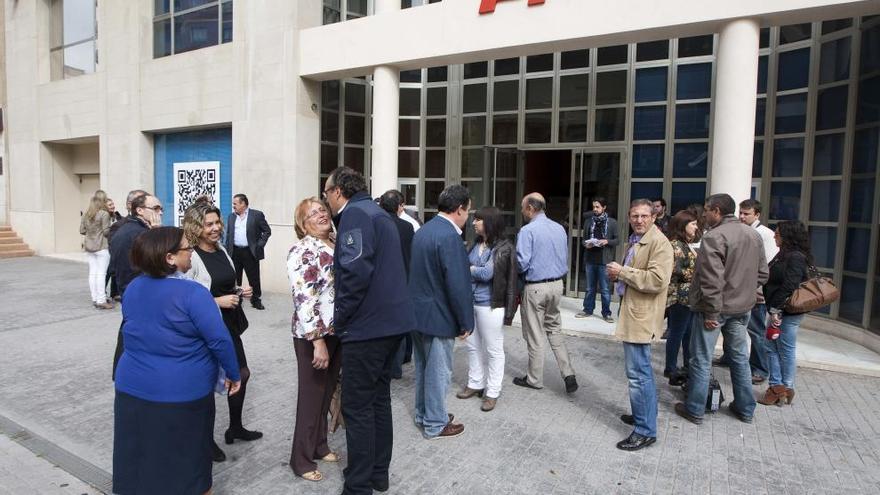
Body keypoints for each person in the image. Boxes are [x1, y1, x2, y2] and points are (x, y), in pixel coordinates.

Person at [112, 226, 241, 495]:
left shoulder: (133, 288)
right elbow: (219, 340)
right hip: (181, 392)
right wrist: (233, 372)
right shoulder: (194, 294)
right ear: (170, 258)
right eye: (186, 248)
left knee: (140, 455)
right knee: (187, 460)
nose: (192, 251)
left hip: (132, 388)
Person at [323, 167, 415, 495]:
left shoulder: (357, 215)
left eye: (326, 193)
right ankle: (378, 474)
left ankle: (359, 485)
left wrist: (341, 320)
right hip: (392, 326)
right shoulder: (377, 212)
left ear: (338, 192)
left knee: (357, 407)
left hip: (368, 327)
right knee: (378, 401)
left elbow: (354, 274)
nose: (326, 201)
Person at [674, 194, 768, 425]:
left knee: (701, 358)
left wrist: (712, 313)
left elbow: (711, 280)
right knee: (739, 358)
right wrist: (744, 292)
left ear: (717, 210)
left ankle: (695, 408)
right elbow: (763, 273)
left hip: (715, 310)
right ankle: (745, 408)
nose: (703, 215)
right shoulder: (753, 234)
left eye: (706, 210)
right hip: (741, 308)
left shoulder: (714, 237)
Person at [183, 203, 262, 463]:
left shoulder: (221, 251)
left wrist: (239, 291)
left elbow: (226, 283)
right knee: (206, 384)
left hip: (228, 325)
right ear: (196, 227)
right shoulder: (191, 257)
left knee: (241, 373)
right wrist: (218, 301)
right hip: (206, 328)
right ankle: (206, 441)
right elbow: (185, 298)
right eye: (209, 224)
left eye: (217, 222)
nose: (216, 228)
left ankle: (235, 427)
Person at [409, 184, 475, 439]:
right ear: (459, 209)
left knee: (424, 369)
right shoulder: (449, 236)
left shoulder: (424, 231)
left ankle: (425, 414)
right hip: (439, 316)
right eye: (468, 210)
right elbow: (458, 285)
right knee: (437, 373)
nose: (468, 215)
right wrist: (465, 321)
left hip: (418, 313)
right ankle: (435, 422)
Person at [606, 199, 672, 451]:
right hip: (634, 312)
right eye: (635, 216)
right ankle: (643, 415)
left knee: (638, 375)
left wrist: (621, 272)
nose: (639, 220)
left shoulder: (659, 243)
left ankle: (645, 430)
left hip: (643, 316)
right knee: (640, 373)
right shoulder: (635, 240)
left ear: (654, 217)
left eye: (644, 216)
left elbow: (657, 280)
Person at [286, 198, 341, 482]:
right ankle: (301, 459)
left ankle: (319, 445)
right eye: (312, 213)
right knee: (311, 397)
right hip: (314, 336)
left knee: (326, 393)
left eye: (322, 209)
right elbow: (304, 298)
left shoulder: (335, 242)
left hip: (336, 331)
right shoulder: (302, 250)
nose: (320, 214)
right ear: (303, 224)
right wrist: (317, 340)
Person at [514, 192, 578, 394]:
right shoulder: (559, 228)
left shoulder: (527, 231)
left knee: (535, 334)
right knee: (554, 329)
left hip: (536, 287)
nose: (522, 211)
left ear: (531, 208)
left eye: (523, 208)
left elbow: (522, 263)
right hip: (557, 285)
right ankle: (568, 373)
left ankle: (534, 379)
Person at [457, 206, 518, 412]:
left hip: (492, 304)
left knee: (494, 350)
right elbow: (474, 270)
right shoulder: (476, 244)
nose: (473, 223)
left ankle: (492, 391)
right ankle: (475, 383)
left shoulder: (504, 247)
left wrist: (470, 269)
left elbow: (487, 274)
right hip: (471, 301)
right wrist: (475, 269)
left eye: (478, 220)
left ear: (490, 222)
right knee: (472, 345)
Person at [717, 199, 779, 384]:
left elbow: (765, 266)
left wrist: (756, 288)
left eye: (747, 214)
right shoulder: (742, 232)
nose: (742, 217)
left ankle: (760, 369)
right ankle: (729, 357)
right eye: (741, 213)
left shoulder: (764, 235)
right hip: (737, 292)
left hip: (754, 293)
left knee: (756, 331)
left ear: (757, 215)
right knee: (734, 330)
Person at [758, 220, 811, 407]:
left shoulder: (795, 257)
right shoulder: (784, 254)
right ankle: (779, 387)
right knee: (771, 347)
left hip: (785, 312)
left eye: (778, 233)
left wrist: (776, 310)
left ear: (788, 236)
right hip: (778, 309)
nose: (774, 236)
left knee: (783, 349)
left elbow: (790, 285)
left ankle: (783, 388)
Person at [110, 193, 164, 379]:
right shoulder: (141, 234)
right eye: (156, 209)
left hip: (130, 292)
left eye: (160, 209)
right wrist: (156, 235)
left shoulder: (123, 228)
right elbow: (160, 265)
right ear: (139, 210)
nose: (160, 213)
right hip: (142, 295)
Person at [378, 190, 416, 379]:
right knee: (400, 327)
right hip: (403, 281)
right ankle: (396, 368)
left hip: (380, 284)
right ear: (399, 206)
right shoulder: (407, 227)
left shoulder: (374, 224)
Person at [664, 210, 699, 378]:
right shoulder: (675, 245)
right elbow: (674, 270)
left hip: (689, 297)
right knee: (677, 332)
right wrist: (697, 273)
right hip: (679, 297)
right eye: (692, 223)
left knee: (688, 333)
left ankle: (687, 365)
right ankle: (670, 368)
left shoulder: (686, 243)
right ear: (682, 225)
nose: (696, 227)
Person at [575, 197, 618, 322]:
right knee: (590, 288)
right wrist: (586, 244)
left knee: (605, 288)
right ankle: (587, 309)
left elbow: (617, 240)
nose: (595, 209)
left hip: (604, 260)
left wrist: (607, 241)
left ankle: (606, 313)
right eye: (593, 207)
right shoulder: (589, 221)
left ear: (604, 207)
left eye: (598, 207)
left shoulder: (612, 222)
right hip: (590, 258)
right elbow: (583, 239)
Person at [226, 194, 272, 310]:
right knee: (235, 278)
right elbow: (228, 235)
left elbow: (266, 231)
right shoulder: (231, 217)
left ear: (243, 204)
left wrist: (259, 245)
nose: (233, 206)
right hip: (234, 251)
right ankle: (237, 300)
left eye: (235, 204)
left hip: (250, 251)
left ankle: (256, 300)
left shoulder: (256, 215)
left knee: (254, 278)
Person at [80, 196, 114, 309]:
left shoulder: (86, 214)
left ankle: (95, 298)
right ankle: (101, 300)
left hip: (89, 247)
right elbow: (106, 232)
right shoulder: (104, 214)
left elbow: (82, 230)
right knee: (101, 274)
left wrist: (92, 232)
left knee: (92, 273)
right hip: (102, 247)